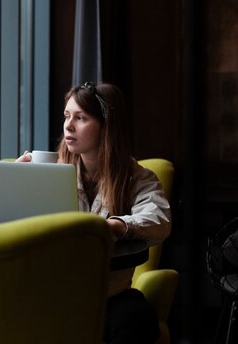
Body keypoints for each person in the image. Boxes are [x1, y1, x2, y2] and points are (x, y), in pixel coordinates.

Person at [16, 82, 171, 343]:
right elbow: (4, 220)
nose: (69, 126)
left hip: (111, 296)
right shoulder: (46, 171)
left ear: (106, 127)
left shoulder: (137, 178)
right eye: (67, 116)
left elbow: (159, 221)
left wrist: (114, 225)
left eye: (81, 118)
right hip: (52, 295)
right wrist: (13, 182)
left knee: (135, 317)